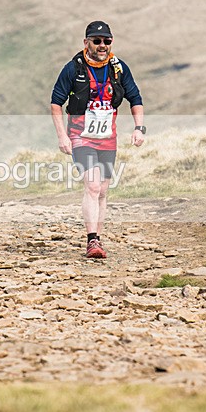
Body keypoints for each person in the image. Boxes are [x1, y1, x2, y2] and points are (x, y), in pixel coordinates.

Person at [50, 21, 144, 259]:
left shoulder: (118, 68)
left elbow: (135, 98)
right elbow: (56, 103)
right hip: (80, 136)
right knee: (92, 185)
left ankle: (98, 239)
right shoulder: (73, 69)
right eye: (97, 41)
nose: (102, 45)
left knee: (102, 190)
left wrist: (139, 128)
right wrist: (62, 136)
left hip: (107, 138)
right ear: (86, 42)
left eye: (107, 41)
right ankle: (91, 240)